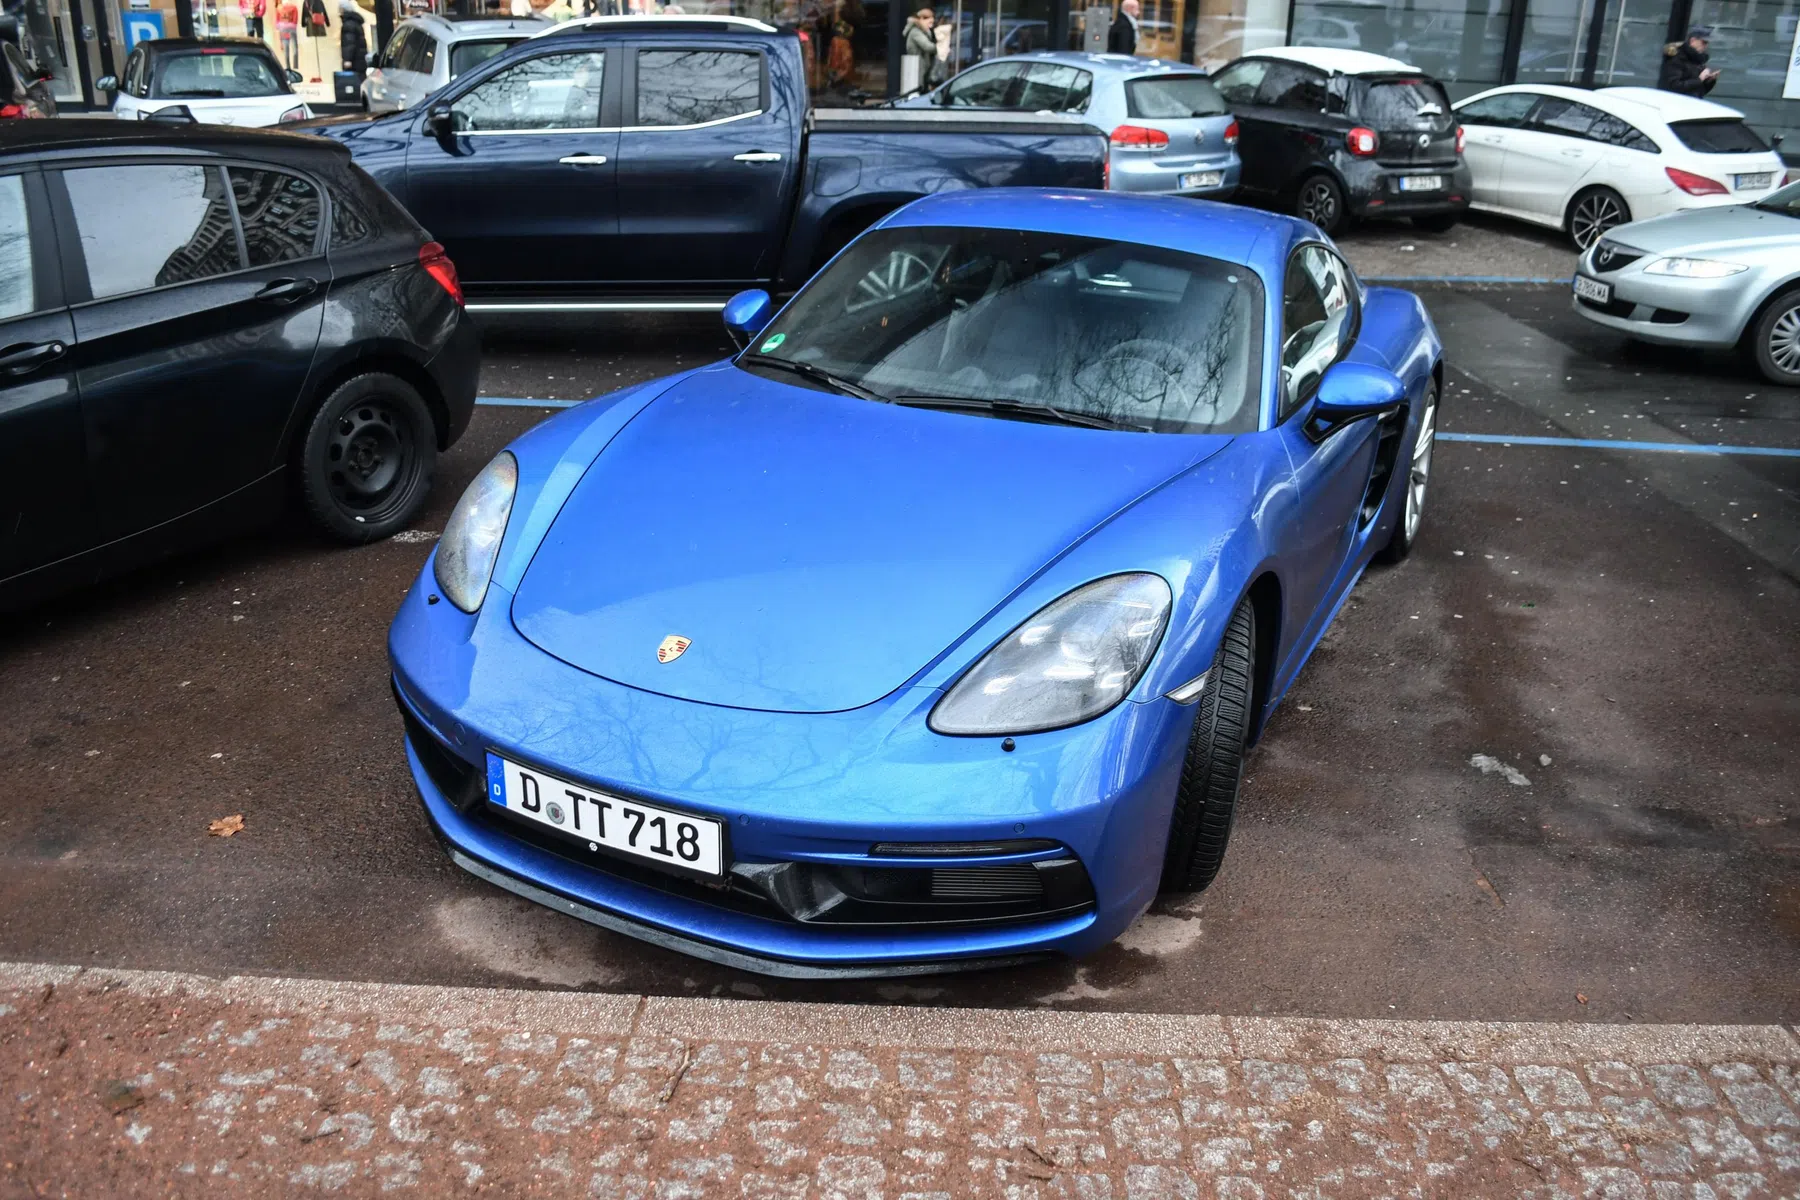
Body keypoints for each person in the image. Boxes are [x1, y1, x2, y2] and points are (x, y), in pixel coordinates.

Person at [1659, 25, 1720, 97]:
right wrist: (1700, 79)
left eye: (1707, 43)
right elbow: (1674, 87)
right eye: (1704, 42)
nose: (1706, 46)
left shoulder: (1698, 60)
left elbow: (1700, 91)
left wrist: (1709, 80)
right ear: (1692, 40)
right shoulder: (1677, 58)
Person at [903, 7, 934, 94]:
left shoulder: (924, 31)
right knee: (916, 92)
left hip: (921, 67)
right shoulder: (916, 32)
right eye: (929, 22)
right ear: (921, 19)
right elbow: (927, 46)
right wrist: (941, 48)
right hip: (916, 68)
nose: (931, 25)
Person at [338, 0, 366, 74]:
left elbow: (349, 43)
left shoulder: (348, 24)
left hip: (354, 62)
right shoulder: (356, 22)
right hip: (359, 60)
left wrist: (347, 59)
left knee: (352, 79)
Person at [275, 0, 298, 67]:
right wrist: (293, 25)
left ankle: (288, 67)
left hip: (283, 29)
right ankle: (295, 66)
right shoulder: (294, 7)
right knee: (294, 48)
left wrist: (279, 27)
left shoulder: (279, 8)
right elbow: (295, 20)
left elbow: (277, 21)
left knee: (286, 48)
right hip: (291, 29)